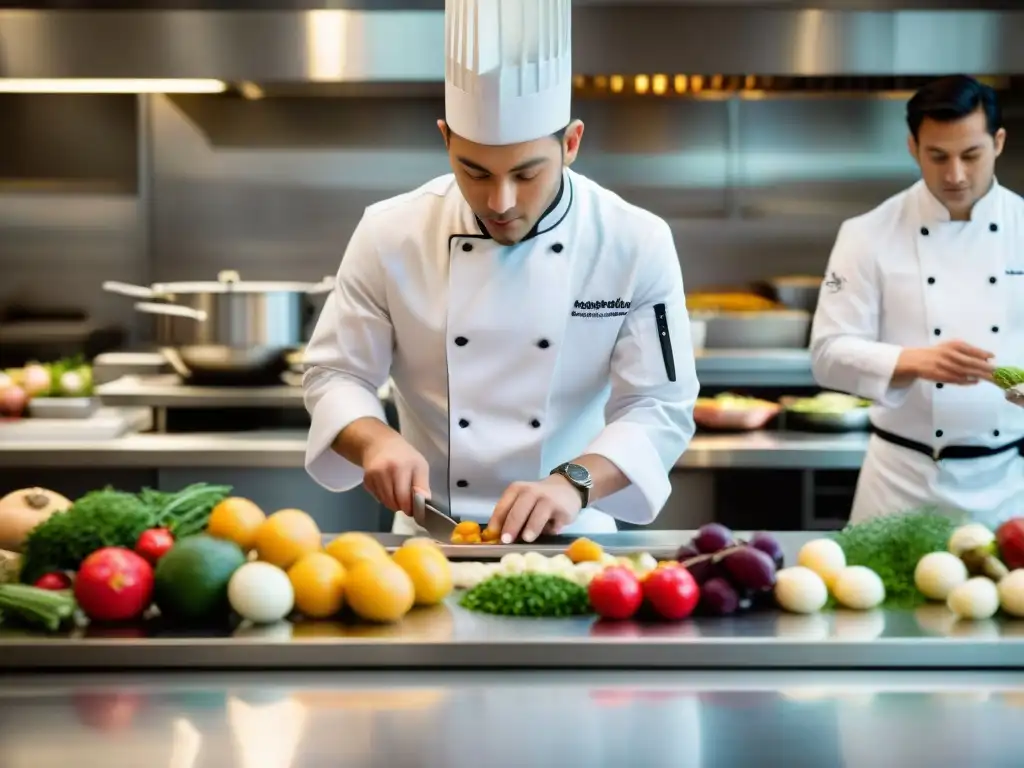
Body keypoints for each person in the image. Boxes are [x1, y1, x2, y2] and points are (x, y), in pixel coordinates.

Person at [302, 0, 699, 543]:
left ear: (572, 144)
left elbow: (660, 405)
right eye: (474, 171)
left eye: (527, 173)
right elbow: (335, 374)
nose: (501, 201)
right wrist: (374, 441)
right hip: (428, 538)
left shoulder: (634, 240)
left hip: (576, 534)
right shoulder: (389, 232)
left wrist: (574, 482)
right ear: (446, 139)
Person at [810, 74, 1024, 527]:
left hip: (1011, 489)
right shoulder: (867, 233)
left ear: (999, 142)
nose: (955, 175)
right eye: (937, 156)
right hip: (900, 488)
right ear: (913, 147)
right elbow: (827, 356)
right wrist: (914, 360)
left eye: (971, 155)